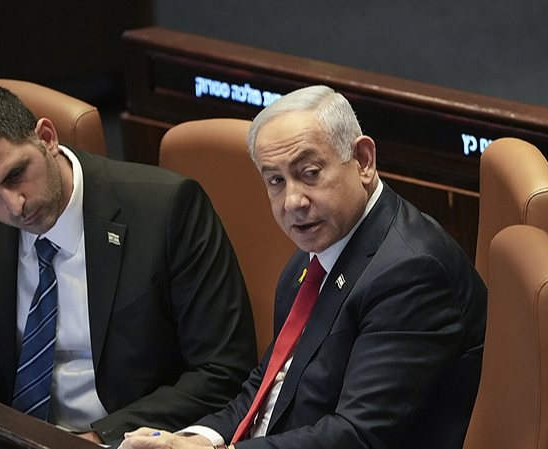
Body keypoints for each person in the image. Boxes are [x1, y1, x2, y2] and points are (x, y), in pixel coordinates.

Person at [0, 84, 258, 445]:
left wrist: (96, 440)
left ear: (46, 137)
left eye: (16, 174)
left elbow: (223, 371)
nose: (15, 206)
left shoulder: (167, 209)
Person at [120, 85, 488, 449]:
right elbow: (268, 388)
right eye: (276, 181)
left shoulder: (411, 273)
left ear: (362, 160)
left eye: (310, 172)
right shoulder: (319, 247)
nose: (293, 201)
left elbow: (359, 436)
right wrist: (188, 440)